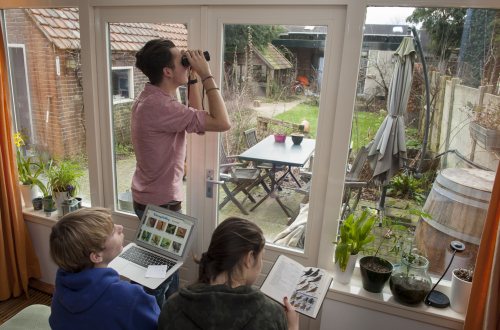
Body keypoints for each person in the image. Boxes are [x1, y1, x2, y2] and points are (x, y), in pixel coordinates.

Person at [131, 39, 231, 305]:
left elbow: (194, 117)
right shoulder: (160, 106)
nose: (187, 62)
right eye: (181, 60)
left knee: (164, 274)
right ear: (166, 71)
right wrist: (207, 74)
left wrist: (193, 78)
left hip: (152, 199)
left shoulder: (154, 97)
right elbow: (221, 122)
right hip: (160, 204)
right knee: (158, 281)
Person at [158, 217, 299, 330]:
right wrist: (292, 326)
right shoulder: (271, 315)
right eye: (261, 257)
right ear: (249, 258)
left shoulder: (172, 306)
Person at [49, 208, 159, 330]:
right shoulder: (132, 297)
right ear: (96, 256)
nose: (120, 227)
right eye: (113, 231)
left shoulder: (61, 289)